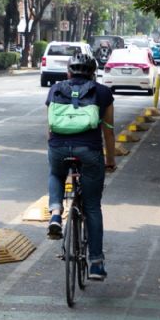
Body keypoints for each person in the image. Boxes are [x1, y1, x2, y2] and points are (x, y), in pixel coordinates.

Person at [45, 53, 116, 281]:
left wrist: (55, 146)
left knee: (56, 173)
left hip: (58, 147)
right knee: (93, 206)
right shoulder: (102, 92)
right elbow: (108, 130)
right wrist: (111, 160)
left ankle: (56, 213)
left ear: (69, 72)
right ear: (94, 72)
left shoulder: (55, 89)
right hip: (89, 151)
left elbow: (50, 126)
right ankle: (96, 263)